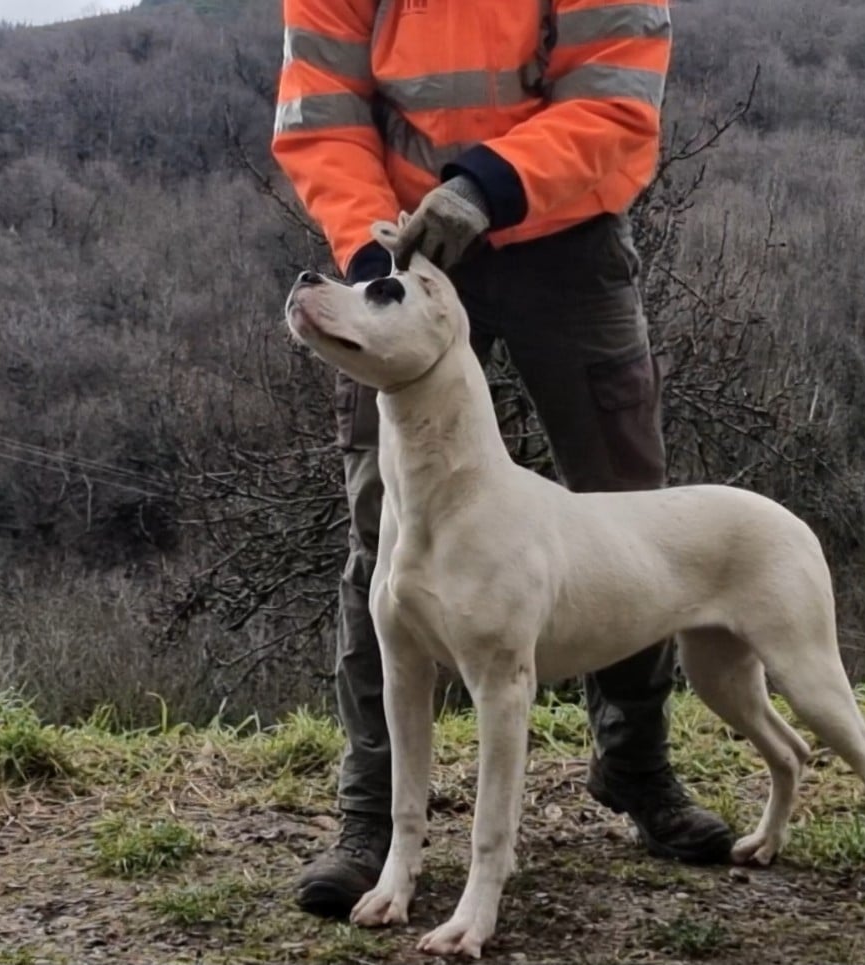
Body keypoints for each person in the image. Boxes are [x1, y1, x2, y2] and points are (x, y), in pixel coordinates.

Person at [271, 0, 733, 920]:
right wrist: (371, 253)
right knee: (387, 533)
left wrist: (490, 183)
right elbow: (321, 115)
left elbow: (613, 99)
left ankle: (636, 766)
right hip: (405, 254)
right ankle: (370, 820)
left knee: (629, 508)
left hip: (567, 236)